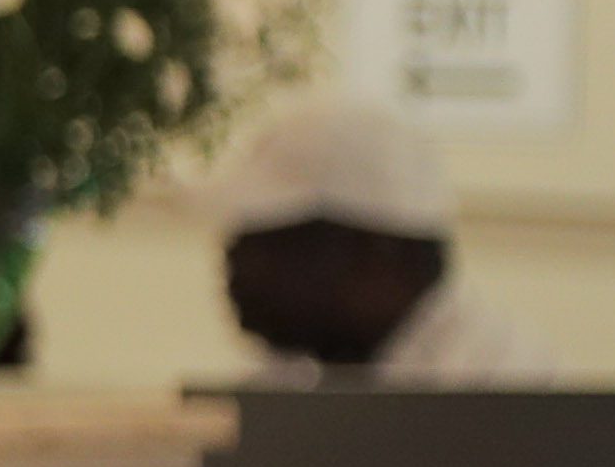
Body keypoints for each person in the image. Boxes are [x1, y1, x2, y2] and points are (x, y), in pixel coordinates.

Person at [214, 95, 552, 383]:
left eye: (267, 242)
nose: (232, 259)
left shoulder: (507, 398)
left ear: (376, 256)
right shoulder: (293, 375)